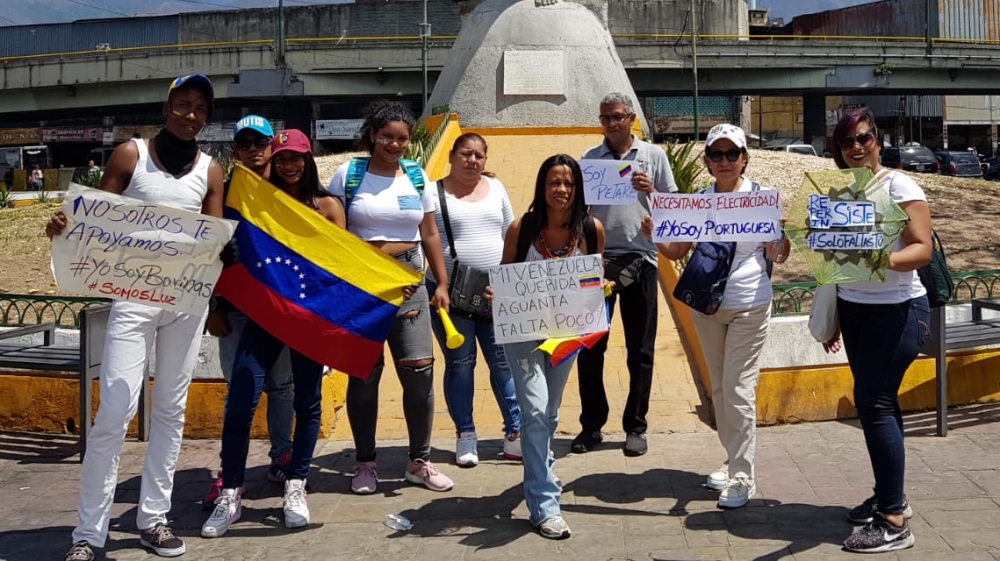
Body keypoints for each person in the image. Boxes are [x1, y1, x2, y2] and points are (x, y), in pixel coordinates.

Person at [50, 73, 224, 561]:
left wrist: (223, 254)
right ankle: (89, 533)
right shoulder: (131, 155)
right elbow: (92, 222)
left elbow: (213, 235)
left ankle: (154, 519)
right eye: (183, 104)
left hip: (185, 303)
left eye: (201, 109)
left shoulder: (211, 170)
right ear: (167, 107)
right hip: (134, 298)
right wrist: (61, 227)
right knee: (114, 412)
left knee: (170, 409)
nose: (191, 115)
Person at [201, 129, 345, 538]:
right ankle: (231, 491)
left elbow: (348, 263)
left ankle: (296, 482)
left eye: (296, 157)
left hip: (311, 318)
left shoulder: (328, 205)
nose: (288, 165)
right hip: (265, 316)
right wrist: (216, 300)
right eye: (281, 158)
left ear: (308, 159)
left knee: (307, 401)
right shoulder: (260, 203)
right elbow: (223, 245)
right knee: (241, 399)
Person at [648, 124, 788, 509]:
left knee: (739, 388)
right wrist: (656, 235)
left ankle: (743, 475)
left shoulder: (761, 200)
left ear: (744, 157)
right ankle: (733, 459)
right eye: (716, 154)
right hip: (707, 306)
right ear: (707, 160)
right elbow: (677, 250)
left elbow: (779, 255)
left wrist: (779, 239)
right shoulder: (697, 202)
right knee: (722, 388)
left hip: (749, 304)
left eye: (732, 153)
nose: (724, 161)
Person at [327, 100, 454, 495]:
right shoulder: (348, 174)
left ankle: (419, 461)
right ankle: (365, 463)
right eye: (386, 137)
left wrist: (441, 283)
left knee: (419, 371)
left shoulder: (416, 176)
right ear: (372, 135)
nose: (394, 145)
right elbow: (332, 231)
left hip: (409, 281)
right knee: (364, 373)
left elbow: (429, 233)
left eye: (402, 138)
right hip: (362, 283)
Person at [825, 108, 930, 553]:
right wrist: (834, 315)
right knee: (880, 404)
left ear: (878, 142)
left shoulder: (898, 186)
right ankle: (891, 496)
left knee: (875, 405)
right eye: (847, 141)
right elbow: (834, 255)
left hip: (897, 311)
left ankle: (893, 522)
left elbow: (921, 249)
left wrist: (882, 259)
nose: (856, 146)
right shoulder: (841, 191)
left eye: (864, 138)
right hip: (855, 310)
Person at [495, 154, 606, 540]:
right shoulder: (522, 228)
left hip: (565, 335)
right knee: (536, 409)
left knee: (549, 412)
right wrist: (497, 293)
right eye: (554, 182)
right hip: (524, 334)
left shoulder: (591, 230)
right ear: (542, 187)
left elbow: (593, 278)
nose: (562, 190)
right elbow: (505, 278)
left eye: (569, 183)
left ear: (578, 189)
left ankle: (539, 472)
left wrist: (600, 288)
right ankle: (544, 505)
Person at [573, 91, 677, 457]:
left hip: (642, 262)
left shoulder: (654, 156)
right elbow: (577, 209)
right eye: (605, 117)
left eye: (617, 116)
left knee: (640, 350)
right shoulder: (589, 159)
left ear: (631, 118)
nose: (612, 123)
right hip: (596, 264)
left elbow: (674, 205)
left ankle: (636, 425)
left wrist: (653, 191)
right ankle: (591, 426)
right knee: (590, 349)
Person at [200, 115, 296, 508]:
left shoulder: (288, 190)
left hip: (279, 307)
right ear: (235, 150)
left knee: (282, 386)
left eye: (260, 142)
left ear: (272, 145)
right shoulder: (222, 194)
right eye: (245, 143)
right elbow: (207, 251)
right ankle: (230, 471)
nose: (253, 149)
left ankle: (282, 457)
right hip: (235, 309)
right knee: (238, 391)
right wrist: (213, 306)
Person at [427, 132, 522, 467]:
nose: (472, 160)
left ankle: (515, 432)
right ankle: (465, 433)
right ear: (452, 156)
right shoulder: (433, 193)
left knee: (503, 363)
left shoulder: (496, 187)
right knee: (460, 364)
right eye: (465, 154)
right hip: (451, 295)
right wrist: (439, 284)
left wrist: (509, 282)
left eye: (478, 155)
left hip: (494, 294)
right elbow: (427, 238)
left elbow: (511, 233)